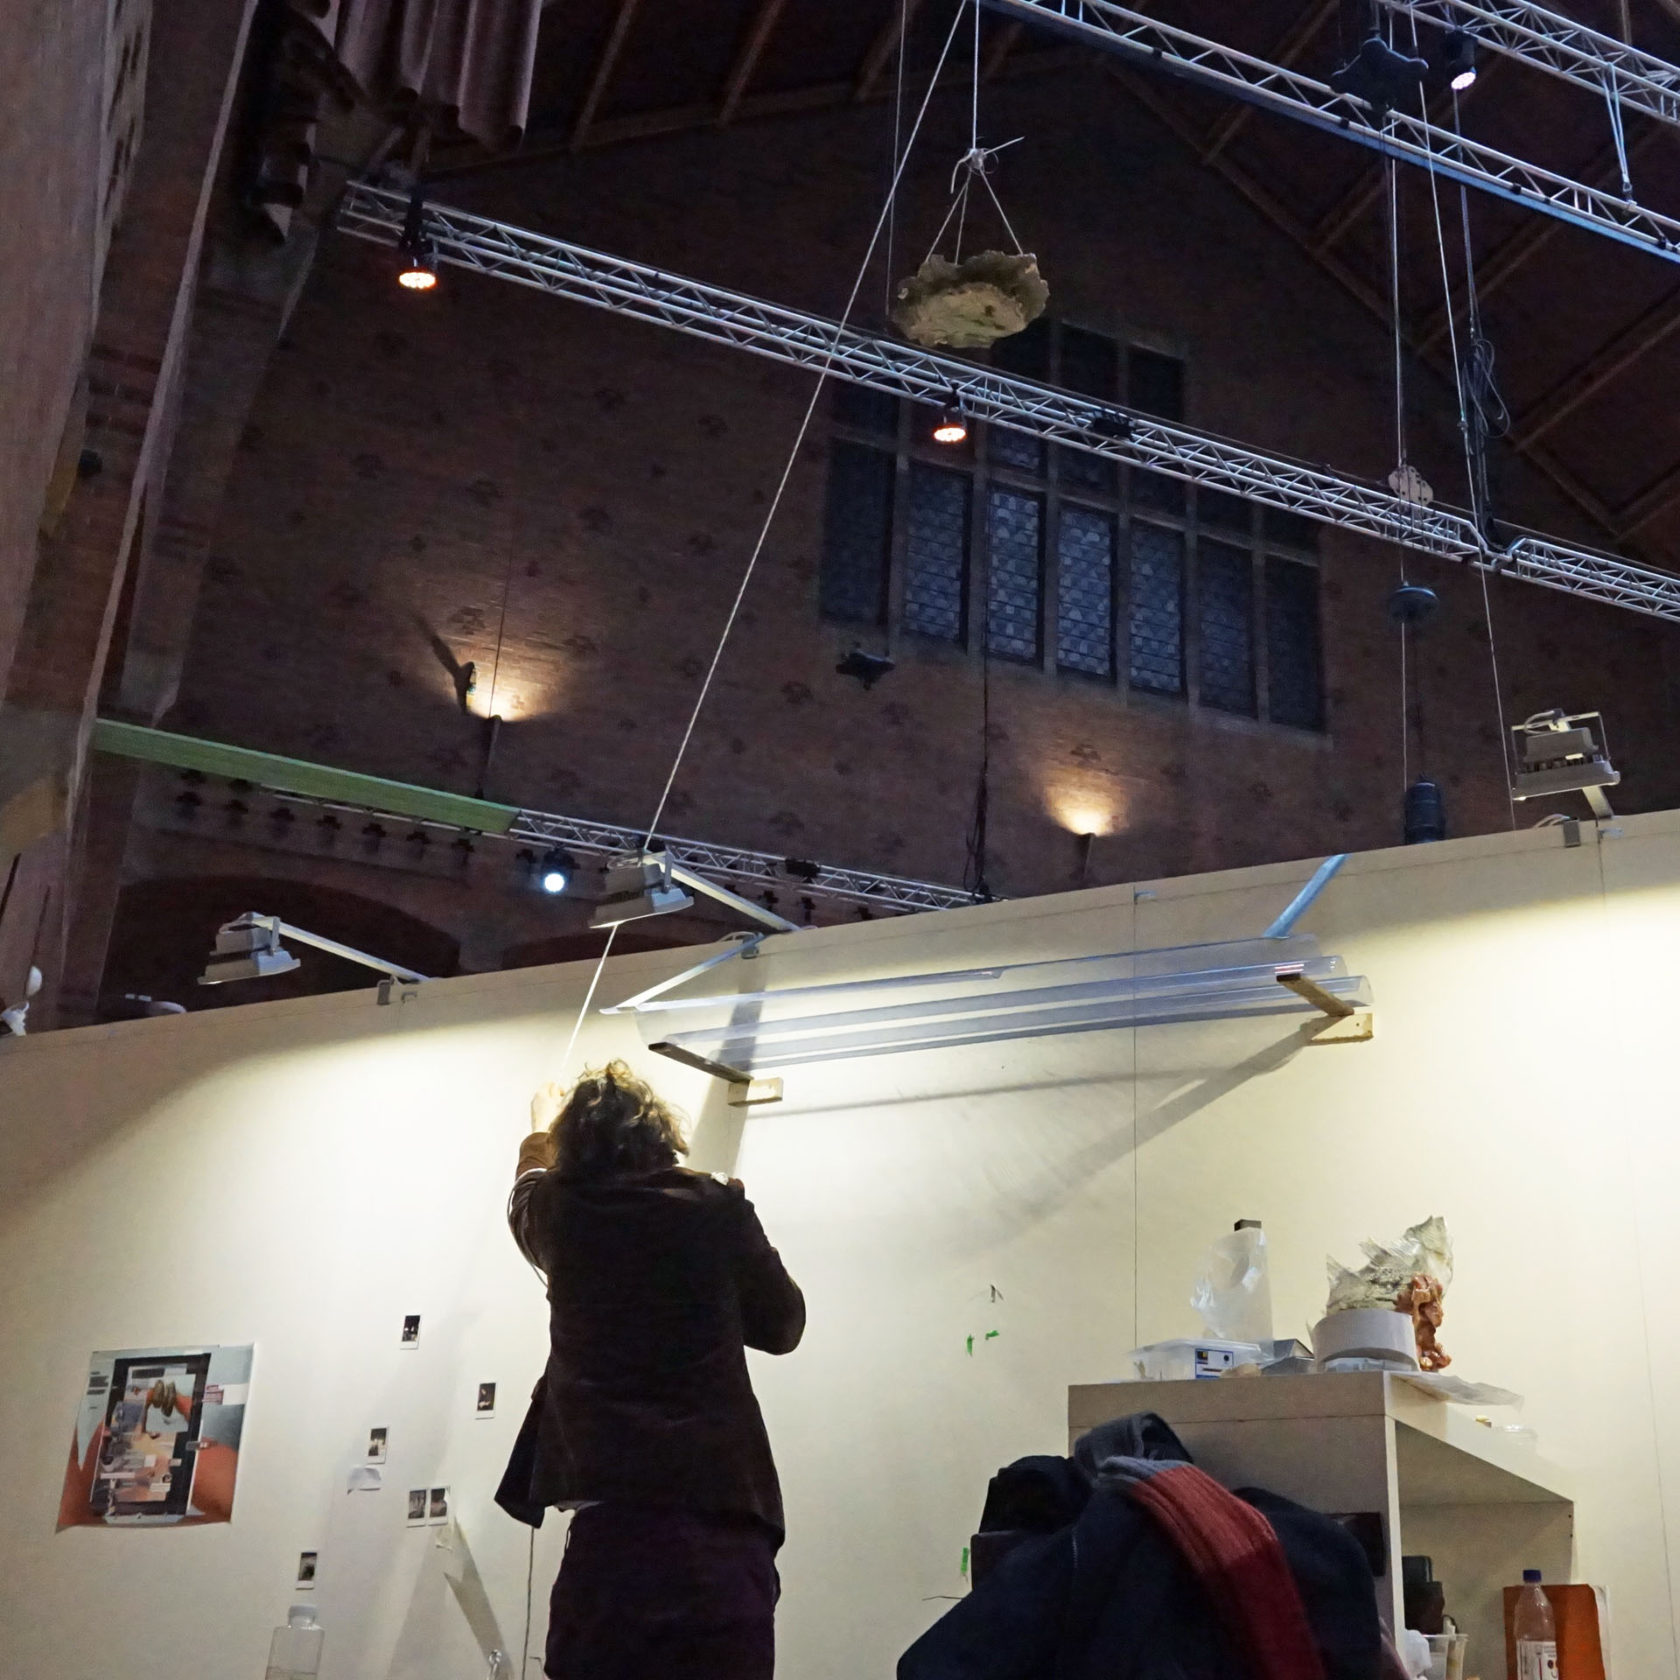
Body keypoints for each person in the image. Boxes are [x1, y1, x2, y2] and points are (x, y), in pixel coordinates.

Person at [501, 1060, 805, 1680]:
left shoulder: (560, 1214)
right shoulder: (715, 1207)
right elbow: (783, 1327)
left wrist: (539, 1129)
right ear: (663, 1137)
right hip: (719, 1525)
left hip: (610, 1541)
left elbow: (525, 1193)